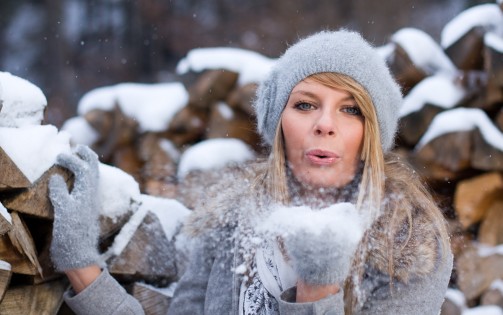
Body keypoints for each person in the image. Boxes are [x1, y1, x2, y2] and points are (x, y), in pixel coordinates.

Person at [49, 30, 453, 314]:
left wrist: (316, 294)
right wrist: (81, 265)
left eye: (351, 109)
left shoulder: (409, 243)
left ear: (373, 131)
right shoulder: (230, 224)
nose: (325, 124)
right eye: (305, 105)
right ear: (277, 122)